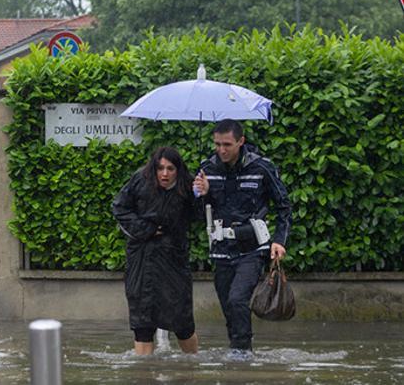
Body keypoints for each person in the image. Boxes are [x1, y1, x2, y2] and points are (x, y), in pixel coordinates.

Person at [193, 119, 292, 358]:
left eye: (227, 144)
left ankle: (242, 354)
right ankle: (237, 350)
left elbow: (283, 207)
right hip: (220, 248)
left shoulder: (262, 167)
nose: (222, 150)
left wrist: (279, 240)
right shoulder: (207, 168)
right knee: (229, 305)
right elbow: (197, 213)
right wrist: (202, 195)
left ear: (241, 141)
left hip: (252, 248)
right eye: (217, 144)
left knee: (238, 299)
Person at [112, 147, 199, 355]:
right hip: (141, 258)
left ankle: (192, 366)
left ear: (178, 170)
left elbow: (199, 216)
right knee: (142, 322)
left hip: (173, 259)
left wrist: (202, 194)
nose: (165, 174)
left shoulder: (190, 185)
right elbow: (120, 208)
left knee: (182, 321)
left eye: (170, 168)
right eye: (160, 168)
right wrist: (146, 229)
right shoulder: (140, 180)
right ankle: (144, 373)